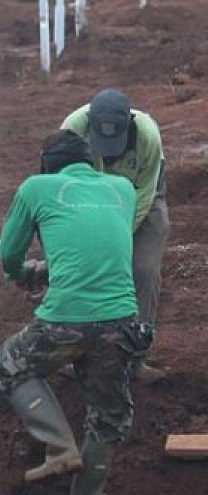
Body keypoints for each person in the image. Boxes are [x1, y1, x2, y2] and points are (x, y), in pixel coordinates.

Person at [0, 130, 151, 495]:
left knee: (10, 365)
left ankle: (60, 447)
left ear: (47, 165)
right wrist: (54, 268)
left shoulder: (36, 187)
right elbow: (97, 240)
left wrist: (20, 274)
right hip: (122, 320)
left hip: (65, 319)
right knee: (108, 418)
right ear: (91, 163)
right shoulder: (123, 189)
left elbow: (9, 253)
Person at [61, 89, 168, 382]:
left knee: (144, 270)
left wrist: (117, 238)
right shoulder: (72, 129)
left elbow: (146, 194)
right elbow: (63, 189)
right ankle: (78, 356)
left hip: (140, 200)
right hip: (87, 200)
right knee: (82, 269)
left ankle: (136, 359)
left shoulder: (148, 135)